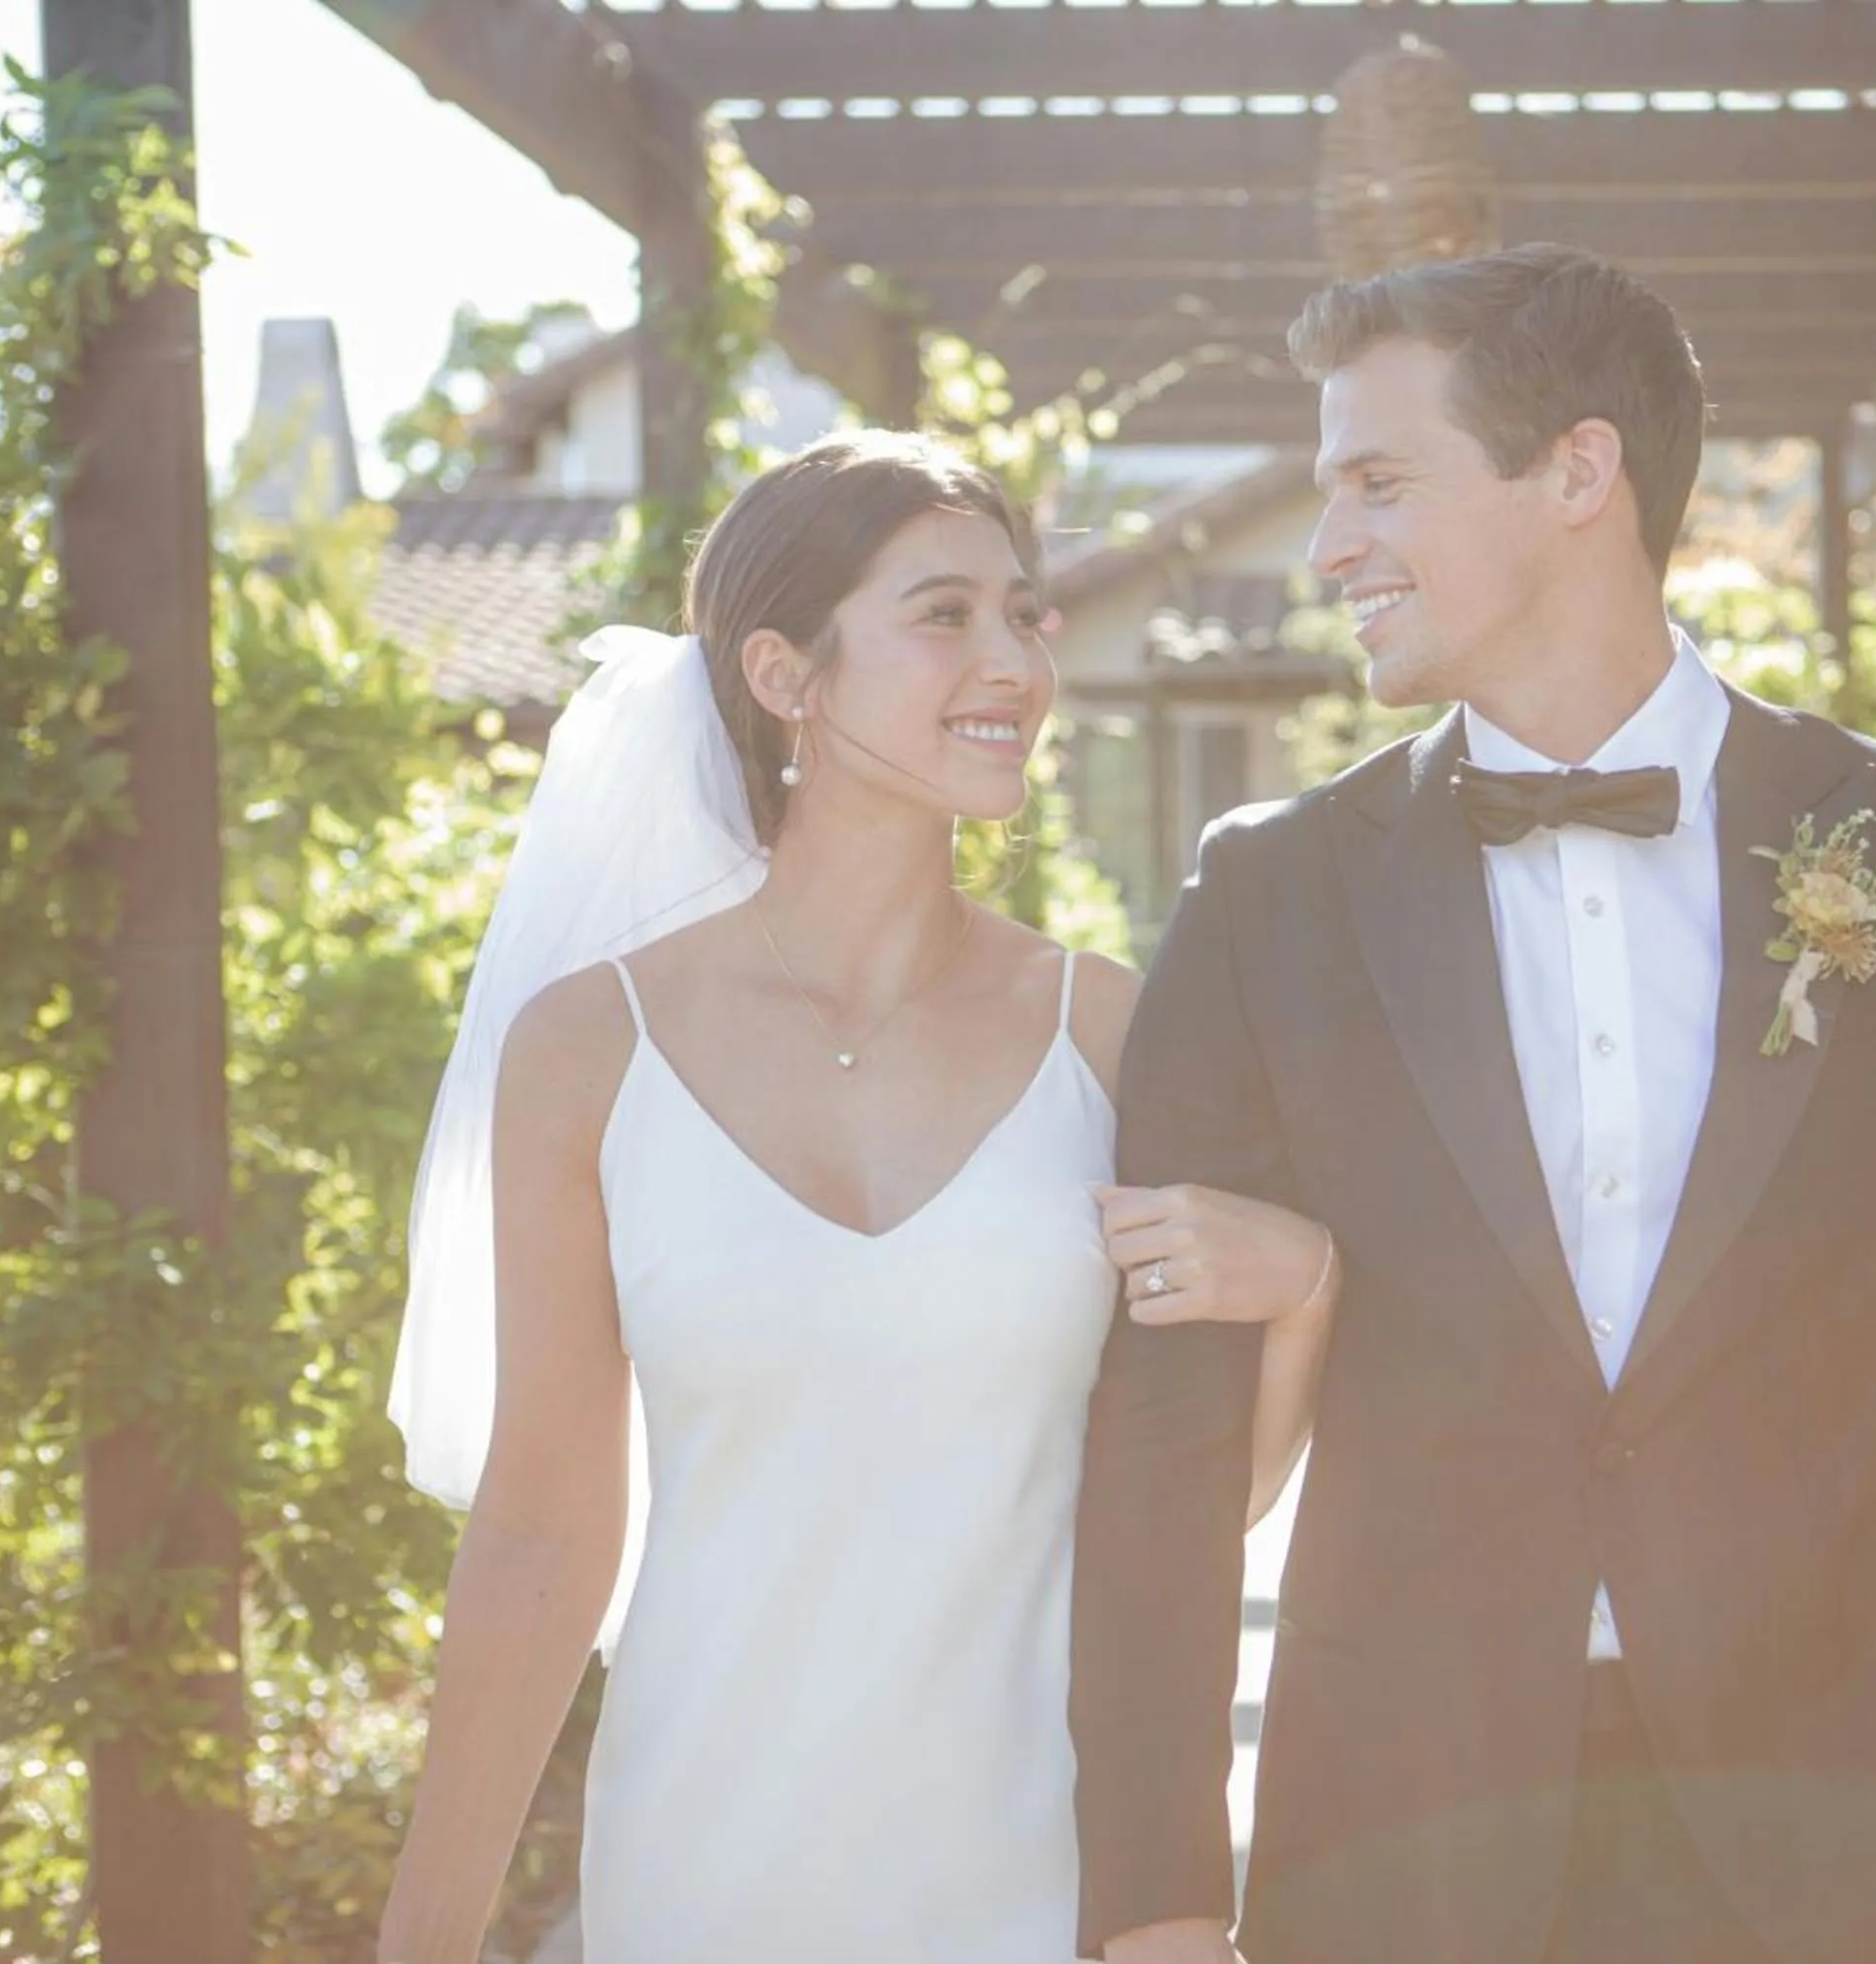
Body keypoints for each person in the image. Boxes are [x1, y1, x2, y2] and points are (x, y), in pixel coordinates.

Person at [1070, 246, 1876, 1964]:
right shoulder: (1266, 898)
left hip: (1828, 1853)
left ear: (1577, 471)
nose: (1328, 546)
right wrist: (1153, 1894)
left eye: (1379, 481)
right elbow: (1166, 1434)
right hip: (1395, 1857)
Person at [375, 431, 1341, 1963]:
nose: (1017, 659)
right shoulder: (588, 1051)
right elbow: (542, 1531)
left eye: (1025, 613)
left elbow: (1181, 1509)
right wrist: (421, 1936)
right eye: (944, 613)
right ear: (785, 676)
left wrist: (1304, 1295)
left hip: (1030, 1874)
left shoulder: (1108, 1031)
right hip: (700, 1867)